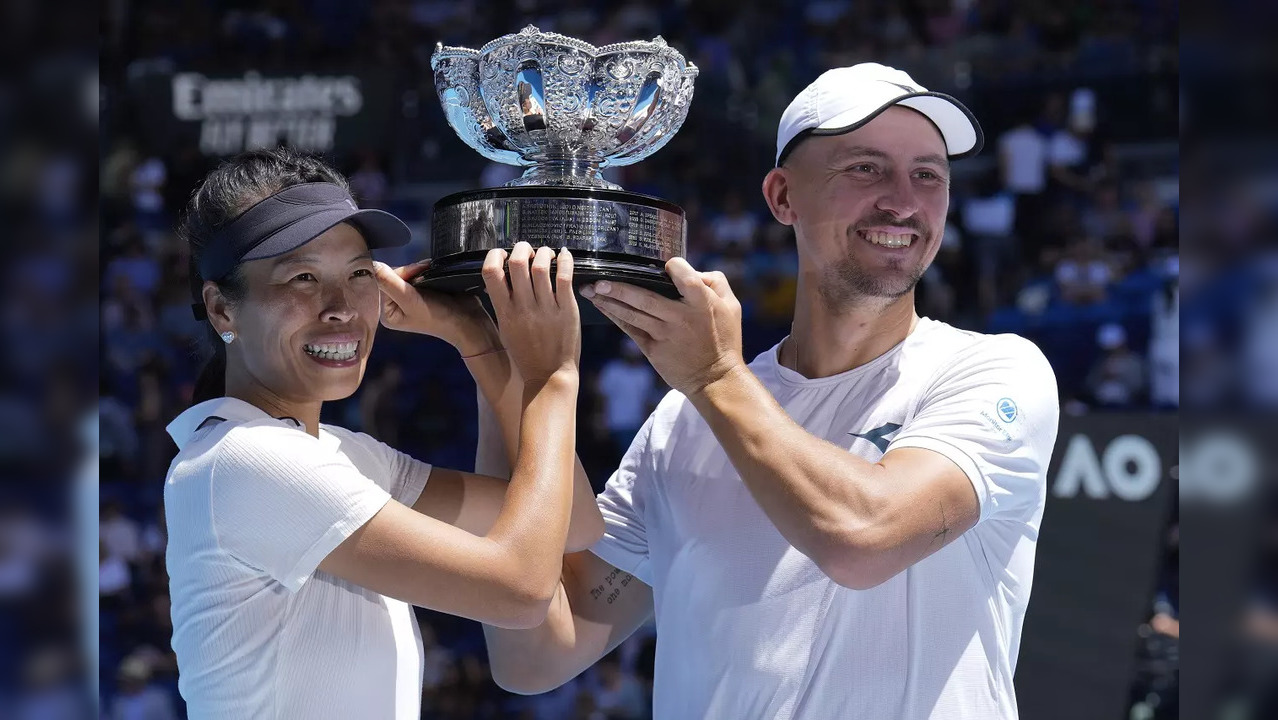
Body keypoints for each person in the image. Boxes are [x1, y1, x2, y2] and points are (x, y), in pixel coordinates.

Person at [483, 63, 1060, 719]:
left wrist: (715, 378)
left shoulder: (993, 371)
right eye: (865, 169)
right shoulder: (682, 420)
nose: (903, 200)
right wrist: (501, 362)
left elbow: (864, 538)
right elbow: (534, 656)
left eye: (928, 174)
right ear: (783, 196)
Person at [163, 147, 601, 718]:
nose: (342, 306)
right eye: (302, 277)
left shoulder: (340, 454)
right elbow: (519, 591)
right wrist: (550, 378)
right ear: (222, 310)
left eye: (358, 274)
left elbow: (571, 522)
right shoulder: (245, 459)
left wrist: (480, 342)